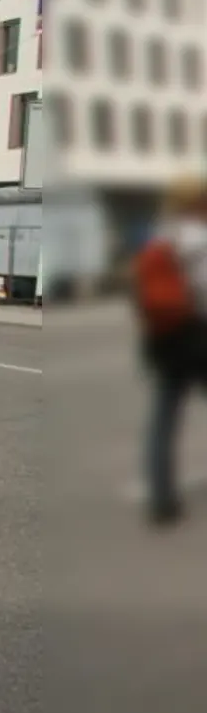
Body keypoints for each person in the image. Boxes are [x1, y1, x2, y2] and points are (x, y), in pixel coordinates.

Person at [136, 177, 207, 525]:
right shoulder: (200, 239)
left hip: (166, 338)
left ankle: (161, 497)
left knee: (164, 418)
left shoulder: (162, 236)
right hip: (198, 335)